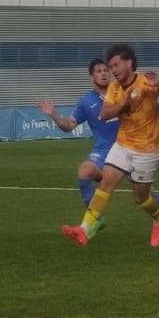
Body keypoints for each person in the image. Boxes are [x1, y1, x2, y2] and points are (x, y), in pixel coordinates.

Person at [62, 44, 159, 247]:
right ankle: (84, 229)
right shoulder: (114, 88)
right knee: (106, 184)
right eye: (111, 66)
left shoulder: (146, 82)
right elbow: (104, 114)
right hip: (123, 144)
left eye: (116, 65)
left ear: (129, 63)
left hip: (148, 149)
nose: (113, 70)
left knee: (141, 198)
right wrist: (123, 103)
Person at [37, 58, 118, 208]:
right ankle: (94, 220)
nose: (103, 74)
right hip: (102, 151)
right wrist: (53, 114)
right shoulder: (86, 102)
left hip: (128, 146)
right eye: (99, 71)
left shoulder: (121, 91)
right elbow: (68, 126)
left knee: (143, 190)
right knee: (84, 172)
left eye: (106, 70)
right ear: (91, 77)